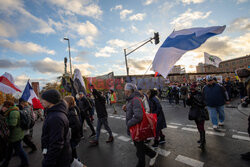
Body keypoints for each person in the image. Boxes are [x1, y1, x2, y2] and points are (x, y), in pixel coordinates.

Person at [122, 83, 158, 167]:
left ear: (128, 91)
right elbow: (133, 112)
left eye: (125, 89)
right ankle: (153, 154)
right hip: (134, 127)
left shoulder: (135, 99)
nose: (124, 91)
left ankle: (142, 164)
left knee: (139, 150)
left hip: (137, 128)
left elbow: (138, 116)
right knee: (138, 146)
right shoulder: (131, 100)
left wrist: (128, 123)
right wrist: (126, 109)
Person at [41, 89, 71, 167]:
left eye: (43, 99)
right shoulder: (54, 113)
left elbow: (56, 144)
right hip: (60, 157)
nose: (41, 101)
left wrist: (48, 162)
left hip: (58, 160)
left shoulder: (55, 117)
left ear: (50, 100)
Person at [0, 101, 29, 167]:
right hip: (14, 134)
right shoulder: (12, 111)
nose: (2, 107)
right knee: (9, 151)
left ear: (7, 106)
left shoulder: (13, 112)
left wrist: (5, 122)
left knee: (19, 150)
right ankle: (5, 163)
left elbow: (13, 124)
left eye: (3, 106)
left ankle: (25, 163)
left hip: (15, 134)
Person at [187, 83, 206, 150]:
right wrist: (189, 99)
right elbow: (188, 104)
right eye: (191, 89)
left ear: (196, 88)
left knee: (201, 126)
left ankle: (203, 143)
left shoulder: (200, 94)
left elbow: (202, 103)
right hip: (194, 112)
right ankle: (202, 139)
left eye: (193, 89)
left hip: (200, 112)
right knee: (198, 126)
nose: (192, 90)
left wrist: (193, 98)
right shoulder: (190, 94)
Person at [64, 96, 82, 161]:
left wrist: (69, 133)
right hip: (73, 137)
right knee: (73, 153)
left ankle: (78, 163)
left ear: (68, 103)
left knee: (72, 154)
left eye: (64, 102)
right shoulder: (70, 110)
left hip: (73, 137)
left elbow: (77, 125)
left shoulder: (71, 112)